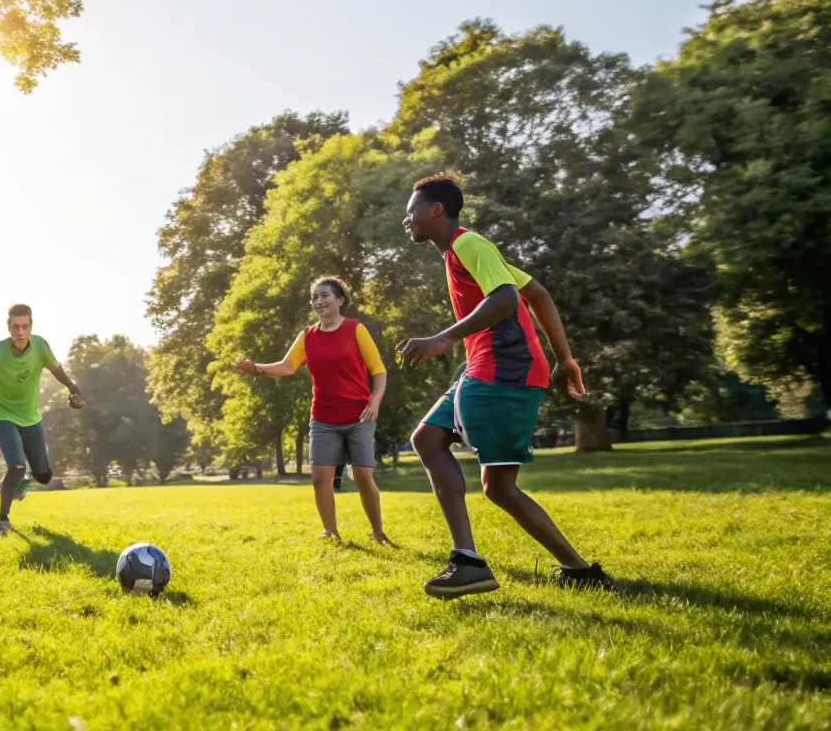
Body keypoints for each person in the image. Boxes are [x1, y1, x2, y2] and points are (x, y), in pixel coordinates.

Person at [397, 174, 613, 599]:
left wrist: (442, 338)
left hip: (505, 369)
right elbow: (538, 294)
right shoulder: (463, 254)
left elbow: (507, 300)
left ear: (437, 209)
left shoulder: (469, 244)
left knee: (491, 481)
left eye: (412, 209)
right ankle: (575, 570)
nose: (407, 218)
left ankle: (469, 563)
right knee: (440, 448)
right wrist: (565, 359)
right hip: (492, 367)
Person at [233, 276, 391, 544]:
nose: (319, 301)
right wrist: (256, 368)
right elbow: (287, 366)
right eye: (315, 297)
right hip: (324, 418)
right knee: (320, 480)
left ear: (340, 301)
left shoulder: (355, 329)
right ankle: (331, 532)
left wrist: (374, 401)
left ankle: (377, 531)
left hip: (359, 415)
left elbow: (378, 369)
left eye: (325, 295)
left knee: (363, 476)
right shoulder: (308, 335)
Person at [0, 305, 84, 535]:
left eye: (25, 326)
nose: (20, 332)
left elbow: (56, 369)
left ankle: (25, 479)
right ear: (8, 328)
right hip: (2, 415)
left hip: (31, 418)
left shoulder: (40, 346)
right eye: (15, 327)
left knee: (44, 476)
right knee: (16, 465)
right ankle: (2, 520)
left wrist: (73, 388)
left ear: (31, 326)